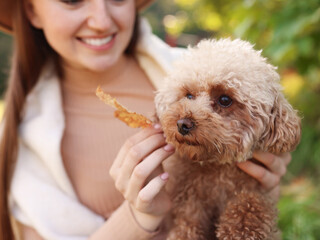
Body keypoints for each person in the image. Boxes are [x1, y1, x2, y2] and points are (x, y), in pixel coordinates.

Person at [0, 0, 292, 239]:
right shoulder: (20, 144)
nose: (101, 20)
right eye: (73, 0)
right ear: (30, 10)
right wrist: (136, 218)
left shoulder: (201, 67)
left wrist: (263, 187)